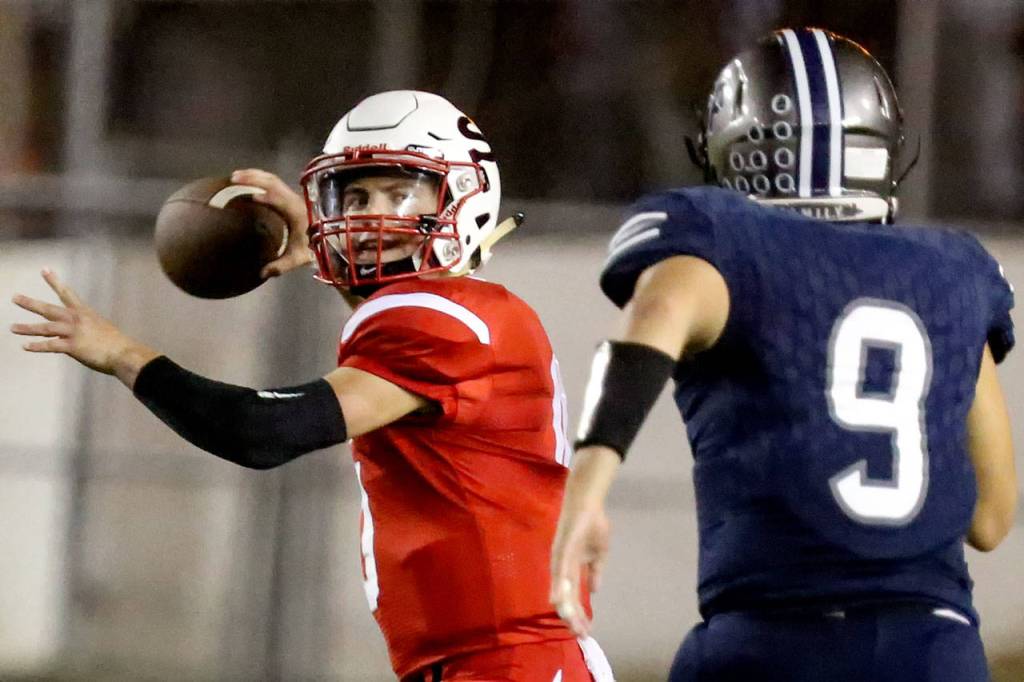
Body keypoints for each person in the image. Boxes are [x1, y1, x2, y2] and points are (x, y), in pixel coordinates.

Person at [12, 90, 613, 682]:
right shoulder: (455, 312)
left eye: (400, 191)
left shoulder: (445, 320)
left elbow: (263, 431)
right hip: (490, 659)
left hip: (511, 663)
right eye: (353, 195)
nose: (368, 213)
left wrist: (124, 354)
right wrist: (331, 266)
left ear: (464, 194)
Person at [549, 29, 1016, 682]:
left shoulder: (728, 240)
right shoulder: (957, 270)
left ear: (728, 148)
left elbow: (654, 317)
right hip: (934, 648)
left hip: (771, 640)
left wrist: (587, 490)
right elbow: (993, 519)